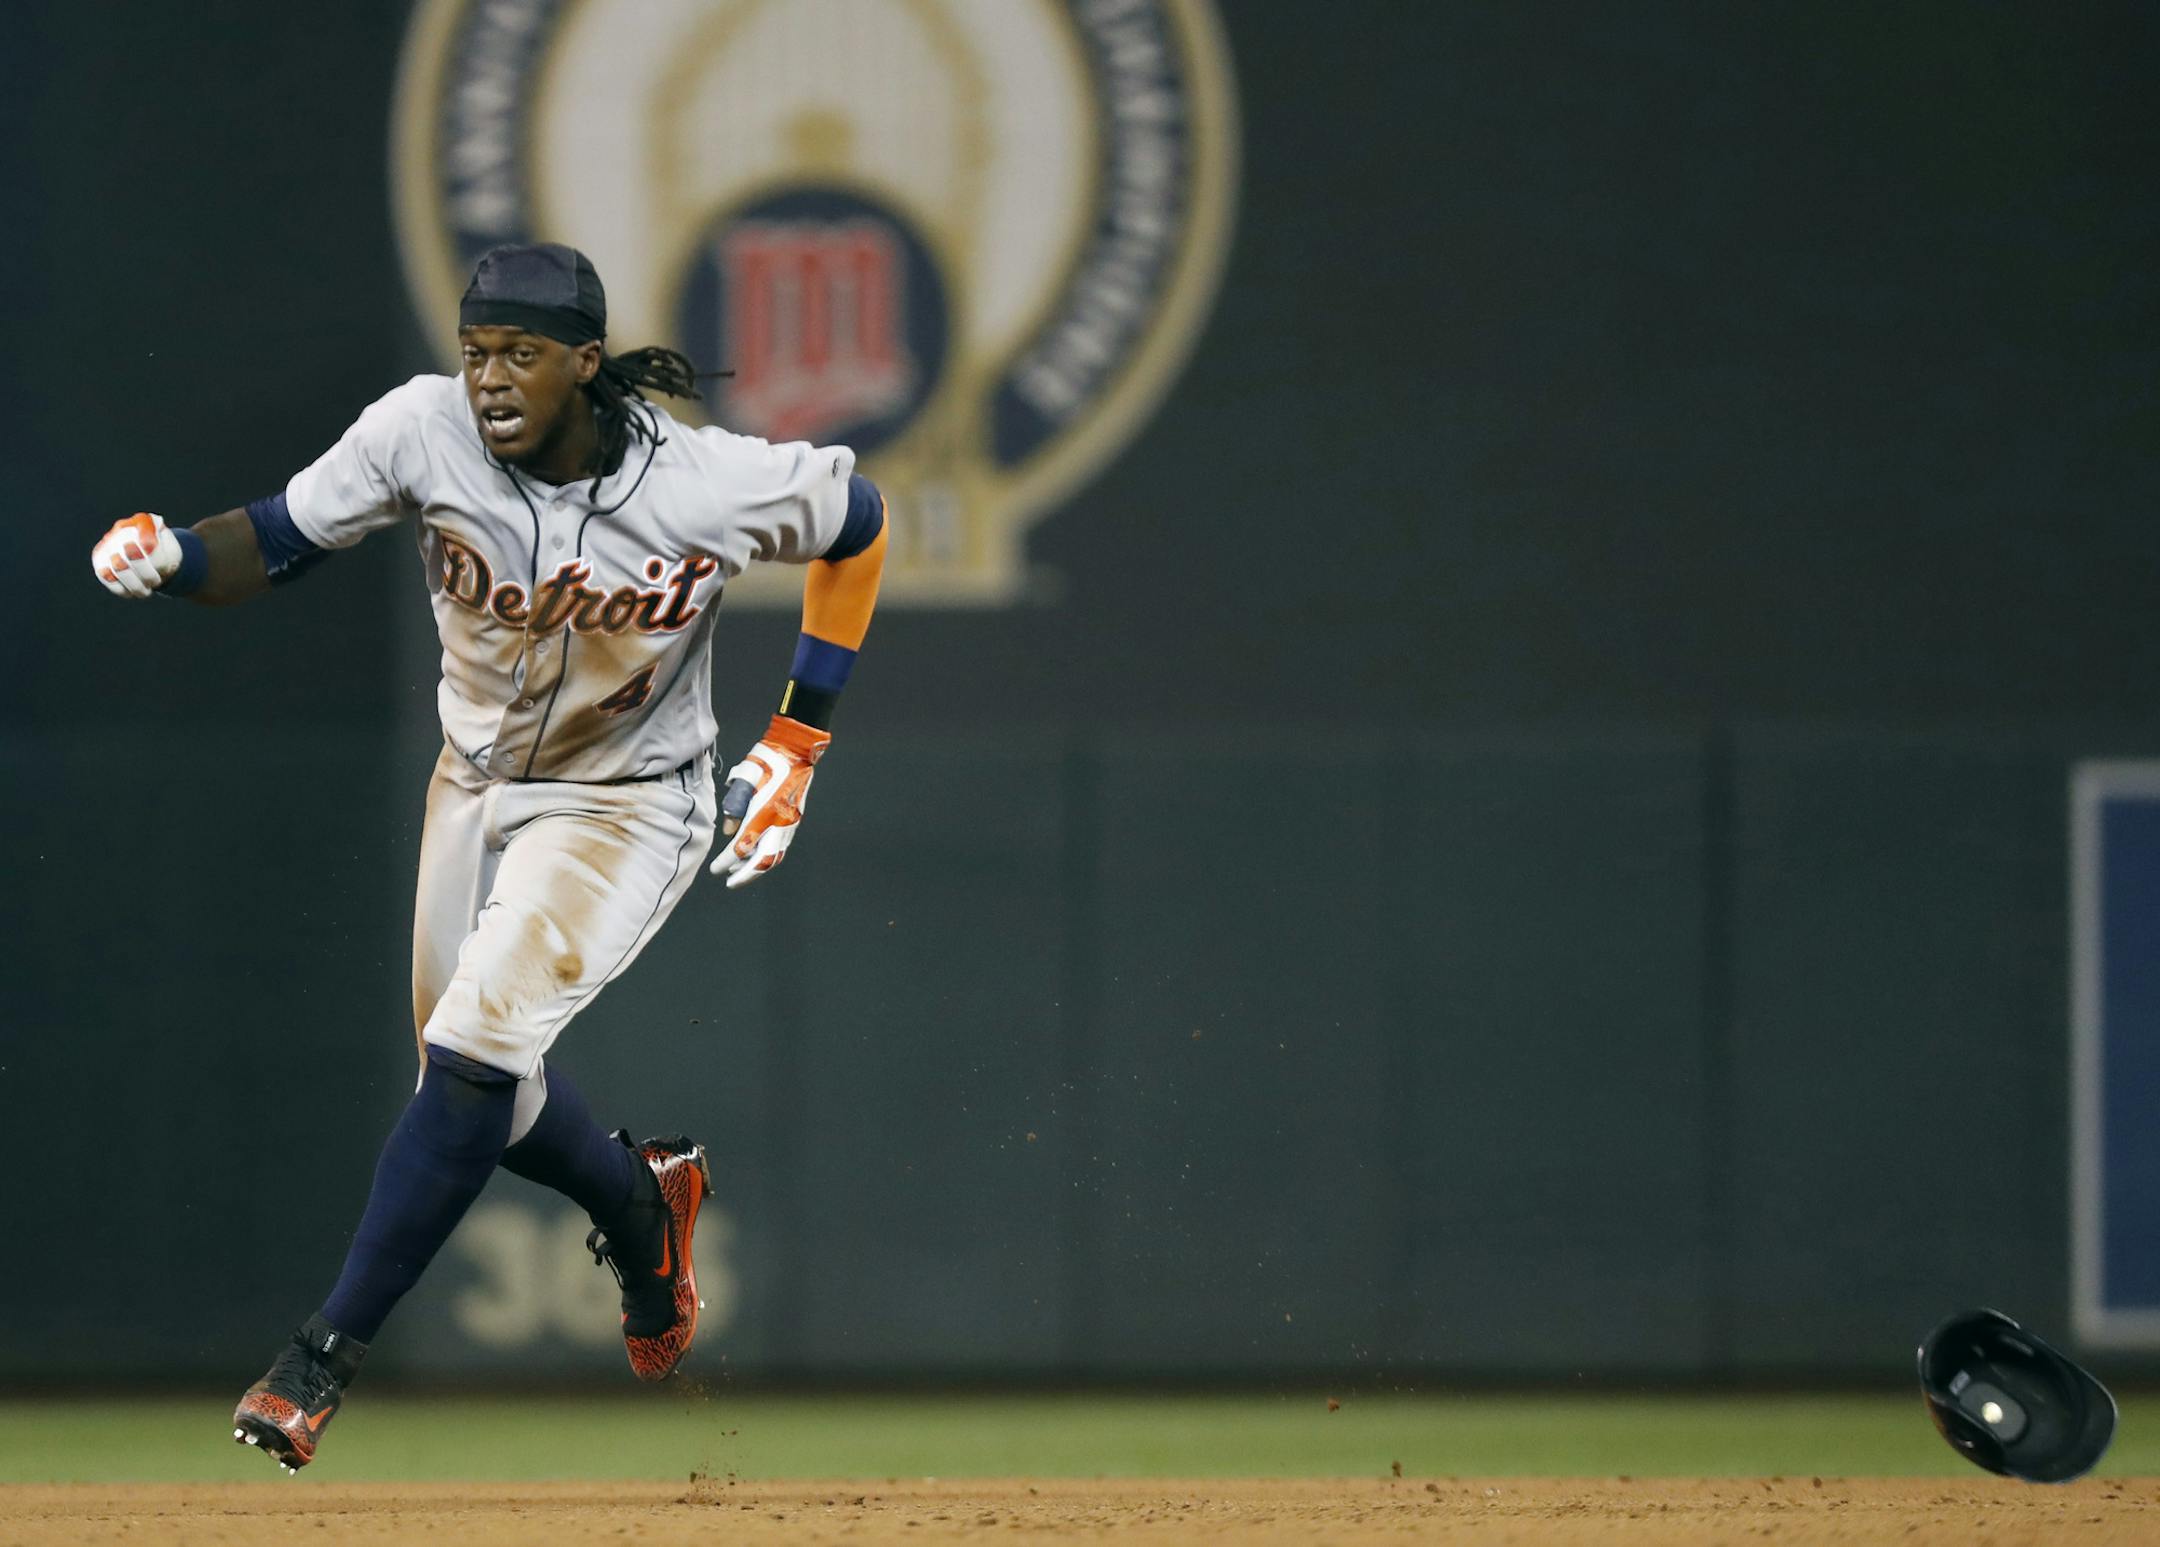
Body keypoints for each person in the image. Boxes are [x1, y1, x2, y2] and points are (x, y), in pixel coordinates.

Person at [88, 242, 887, 1472]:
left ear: (586, 361)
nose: (490, 380)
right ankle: (640, 1198)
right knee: (483, 1096)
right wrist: (177, 560)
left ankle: (318, 1359)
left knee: (470, 1057)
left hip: (627, 800)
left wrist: (800, 732)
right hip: (472, 786)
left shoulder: (704, 480)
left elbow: (859, 522)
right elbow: (276, 536)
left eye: (519, 354)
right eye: (475, 353)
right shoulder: (423, 429)